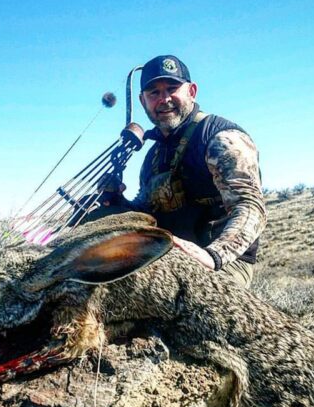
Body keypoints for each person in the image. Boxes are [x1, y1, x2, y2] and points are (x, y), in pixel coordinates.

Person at [105, 55, 267, 288]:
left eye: (172, 88)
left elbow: (250, 206)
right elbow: (147, 212)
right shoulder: (153, 155)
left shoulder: (221, 138)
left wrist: (214, 255)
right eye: (154, 93)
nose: (164, 99)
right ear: (143, 101)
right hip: (167, 256)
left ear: (192, 91)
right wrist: (117, 203)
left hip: (222, 262)